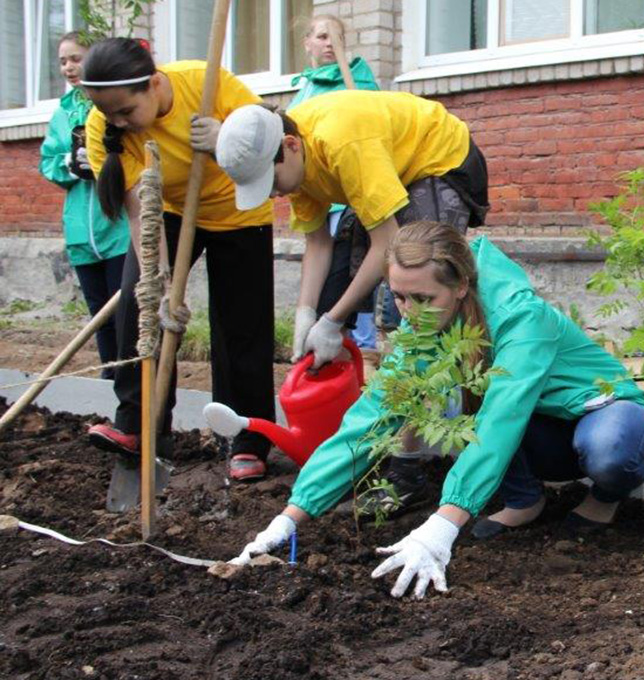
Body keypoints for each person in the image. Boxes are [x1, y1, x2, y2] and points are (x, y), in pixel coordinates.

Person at [230, 221, 644, 599]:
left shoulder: (521, 318)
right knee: (455, 408)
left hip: (603, 411)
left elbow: (501, 419)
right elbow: (367, 423)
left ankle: (605, 497)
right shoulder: (424, 330)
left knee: (609, 452)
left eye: (422, 297)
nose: (408, 312)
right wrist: (290, 516)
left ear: (460, 287)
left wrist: (443, 525)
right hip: (541, 430)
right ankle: (526, 499)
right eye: (398, 297)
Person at [213, 88, 488, 507]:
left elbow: (389, 244)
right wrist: (310, 314)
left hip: (440, 160)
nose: (272, 194)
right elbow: (319, 246)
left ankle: (408, 468)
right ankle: (351, 446)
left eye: (270, 182)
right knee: (334, 295)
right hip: (391, 170)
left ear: (290, 147)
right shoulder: (297, 158)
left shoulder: (343, 143)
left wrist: (333, 319)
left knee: (406, 312)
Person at [80, 38, 278, 481]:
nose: (118, 122)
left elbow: (271, 129)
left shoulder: (203, 82)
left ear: (153, 84)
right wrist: (162, 280)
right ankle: (138, 424)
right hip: (164, 212)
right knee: (141, 306)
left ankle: (247, 437)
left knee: (240, 326)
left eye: (126, 112)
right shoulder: (103, 128)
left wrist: (224, 134)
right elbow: (138, 212)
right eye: (108, 113)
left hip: (237, 210)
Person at [38, 32, 130, 380]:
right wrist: (69, 164)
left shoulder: (110, 104)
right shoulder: (61, 113)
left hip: (117, 229)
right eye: (62, 61)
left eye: (76, 58)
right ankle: (109, 387)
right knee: (98, 318)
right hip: (80, 231)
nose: (69, 67)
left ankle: (131, 389)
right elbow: (47, 161)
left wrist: (104, 164)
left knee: (125, 314)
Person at [288, 13, 380, 354]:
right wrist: (305, 312)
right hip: (318, 196)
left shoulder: (356, 79)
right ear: (307, 43)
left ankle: (364, 348)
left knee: (358, 270)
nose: (329, 44)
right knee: (328, 277)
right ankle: (335, 345)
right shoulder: (305, 87)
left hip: (355, 197)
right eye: (323, 37)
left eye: (336, 38)